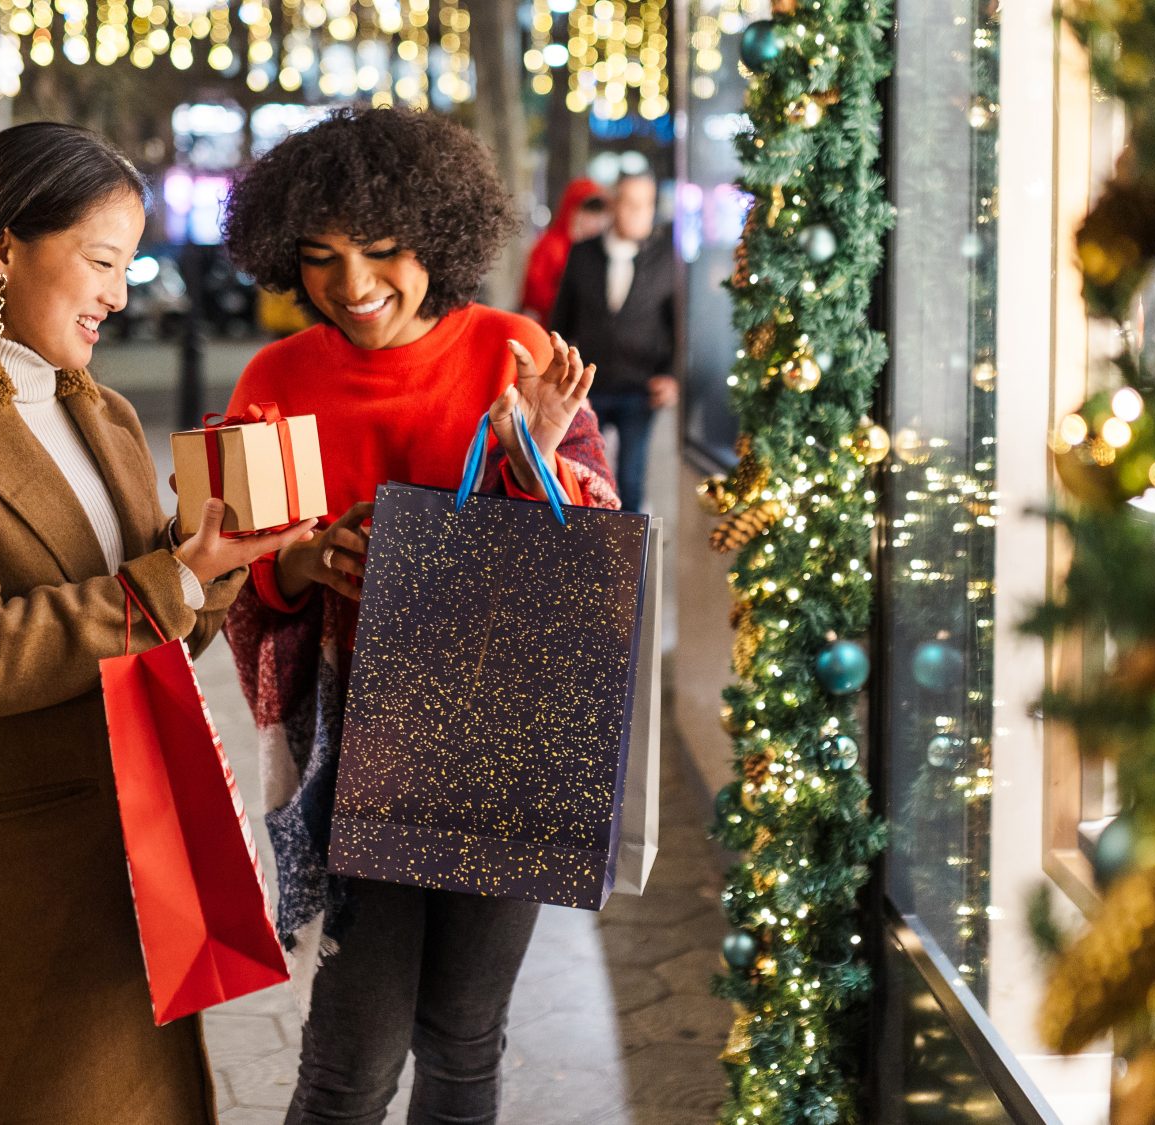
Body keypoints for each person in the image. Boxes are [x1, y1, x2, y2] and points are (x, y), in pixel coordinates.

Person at [0, 122, 311, 1124]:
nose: (119, 294)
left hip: (131, 858)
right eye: (102, 260)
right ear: (1, 248)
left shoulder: (100, 412)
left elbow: (159, 619)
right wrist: (171, 580)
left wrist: (233, 561)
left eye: (130, 263)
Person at [218, 107, 620, 1125]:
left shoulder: (514, 350)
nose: (353, 287)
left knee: (464, 1038)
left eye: (384, 252)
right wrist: (301, 560)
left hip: (509, 728)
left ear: (437, 240)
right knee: (351, 1057)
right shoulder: (273, 381)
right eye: (319, 259)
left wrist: (535, 450)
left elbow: (592, 543)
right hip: (354, 751)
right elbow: (236, 576)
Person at [549, 172, 679, 512]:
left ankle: (627, 560)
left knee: (631, 479)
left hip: (640, 385)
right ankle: (585, 551)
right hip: (589, 384)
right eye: (630, 203)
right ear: (615, 205)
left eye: (646, 205)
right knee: (582, 474)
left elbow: (678, 324)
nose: (638, 212)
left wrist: (672, 375)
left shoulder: (666, 256)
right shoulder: (583, 253)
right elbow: (561, 320)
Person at [517, 177, 608, 325]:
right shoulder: (550, 246)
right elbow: (535, 295)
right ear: (572, 209)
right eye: (589, 210)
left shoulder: (599, 249)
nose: (595, 219)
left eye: (598, 212)